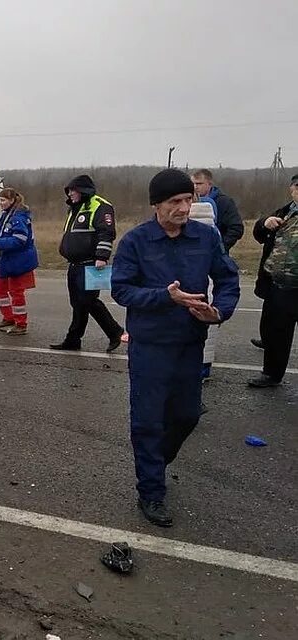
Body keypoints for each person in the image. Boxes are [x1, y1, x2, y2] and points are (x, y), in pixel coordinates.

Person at [111, 169, 240, 527]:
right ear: (157, 205)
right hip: (151, 346)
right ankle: (151, 491)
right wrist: (164, 297)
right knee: (148, 421)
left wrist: (219, 312)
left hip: (189, 343)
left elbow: (229, 279)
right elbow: (121, 290)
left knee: (187, 415)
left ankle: (155, 460)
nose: (184, 208)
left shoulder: (205, 237)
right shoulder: (136, 241)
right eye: (175, 202)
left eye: (188, 200)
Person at [51, 175, 124, 352]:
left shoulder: (100, 206)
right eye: (68, 191)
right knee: (77, 303)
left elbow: (106, 233)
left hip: (92, 263)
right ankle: (73, 339)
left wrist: (102, 256)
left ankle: (114, 331)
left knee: (89, 301)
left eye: (73, 190)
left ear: (83, 190)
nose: (70, 194)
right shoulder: (75, 208)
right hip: (75, 264)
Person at [247, 174, 298, 388]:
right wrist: (263, 223)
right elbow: (259, 235)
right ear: (291, 189)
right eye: (297, 187)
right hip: (279, 286)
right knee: (277, 331)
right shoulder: (284, 212)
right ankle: (271, 374)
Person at [0, 188, 38, 335]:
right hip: (9, 259)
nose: (1, 203)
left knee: (16, 291)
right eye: (0, 200)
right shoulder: (8, 215)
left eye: (3, 200)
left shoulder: (18, 217)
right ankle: (9, 317)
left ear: (11, 200)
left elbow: (19, 240)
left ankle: (21, 323)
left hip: (19, 260)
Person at [188, 197, 220, 382]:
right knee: (208, 327)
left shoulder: (184, 231)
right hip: (208, 289)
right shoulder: (213, 233)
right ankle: (205, 366)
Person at [191, 169, 245, 253]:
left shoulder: (224, 202)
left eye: (199, 184)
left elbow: (236, 228)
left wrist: (221, 247)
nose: (195, 187)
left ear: (209, 184)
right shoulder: (185, 201)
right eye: (192, 184)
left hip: (215, 253)